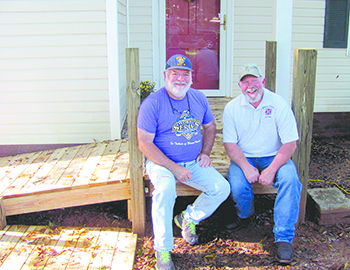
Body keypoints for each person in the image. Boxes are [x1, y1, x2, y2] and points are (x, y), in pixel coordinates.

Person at [137, 54, 230, 270]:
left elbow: (210, 126)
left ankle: (187, 218)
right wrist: (173, 167)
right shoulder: (152, 104)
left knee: (221, 188)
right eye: (175, 73)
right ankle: (163, 250)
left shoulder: (198, 98)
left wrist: (206, 152)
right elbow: (144, 143)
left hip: (194, 161)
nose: (180, 79)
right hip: (161, 163)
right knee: (164, 189)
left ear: (191, 77)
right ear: (165, 75)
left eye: (185, 74)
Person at [223, 63, 302, 264]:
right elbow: (230, 145)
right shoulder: (232, 108)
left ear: (263, 81)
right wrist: (247, 167)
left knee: (290, 179)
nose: (251, 86)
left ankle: (284, 238)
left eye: (255, 80)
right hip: (244, 156)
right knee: (238, 185)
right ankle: (245, 215)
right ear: (240, 86)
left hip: (274, 156)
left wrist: (272, 169)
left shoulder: (279, 104)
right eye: (245, 82)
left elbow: (290, 143)